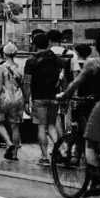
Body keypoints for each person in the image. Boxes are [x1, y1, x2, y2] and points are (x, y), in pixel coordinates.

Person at [57, 31, 100, 194]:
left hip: (98, 108)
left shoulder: (93, 63)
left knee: (90, 143)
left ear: (99, 48)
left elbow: (76, 83)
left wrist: (64, 95)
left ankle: (96, 182)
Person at [22, 29, 64, 168]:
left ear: (34, 45)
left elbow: (27, 82)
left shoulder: (31, 61)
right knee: (51, 125)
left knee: (41, 126)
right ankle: (59, 151)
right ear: (48, 43)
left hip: (38, 97)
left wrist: (26, 100)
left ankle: (45, 156)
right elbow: (61, 78)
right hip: (54, 96)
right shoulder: (57, 59)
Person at [0, 42, 23, 161]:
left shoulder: (0, 68)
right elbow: (23, 85)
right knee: (15, 126)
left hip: (5, 98)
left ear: (4, 54)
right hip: (18, 98)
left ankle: (9, 143)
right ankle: (15, 154)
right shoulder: (20, 68)